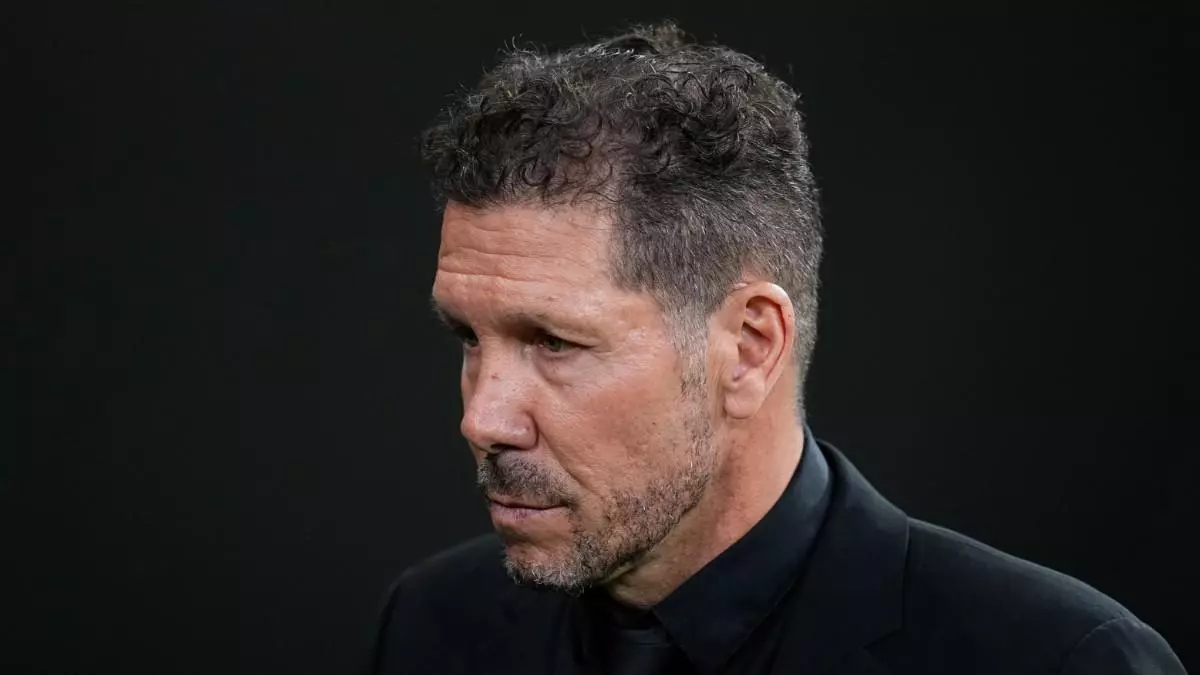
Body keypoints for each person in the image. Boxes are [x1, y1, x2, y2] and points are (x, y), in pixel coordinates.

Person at [367, 21, 1186, 675]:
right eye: (468, 337)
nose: (483, 418)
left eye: (553, 341)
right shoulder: (433, 626)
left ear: (750, 347)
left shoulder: (1055, 659)